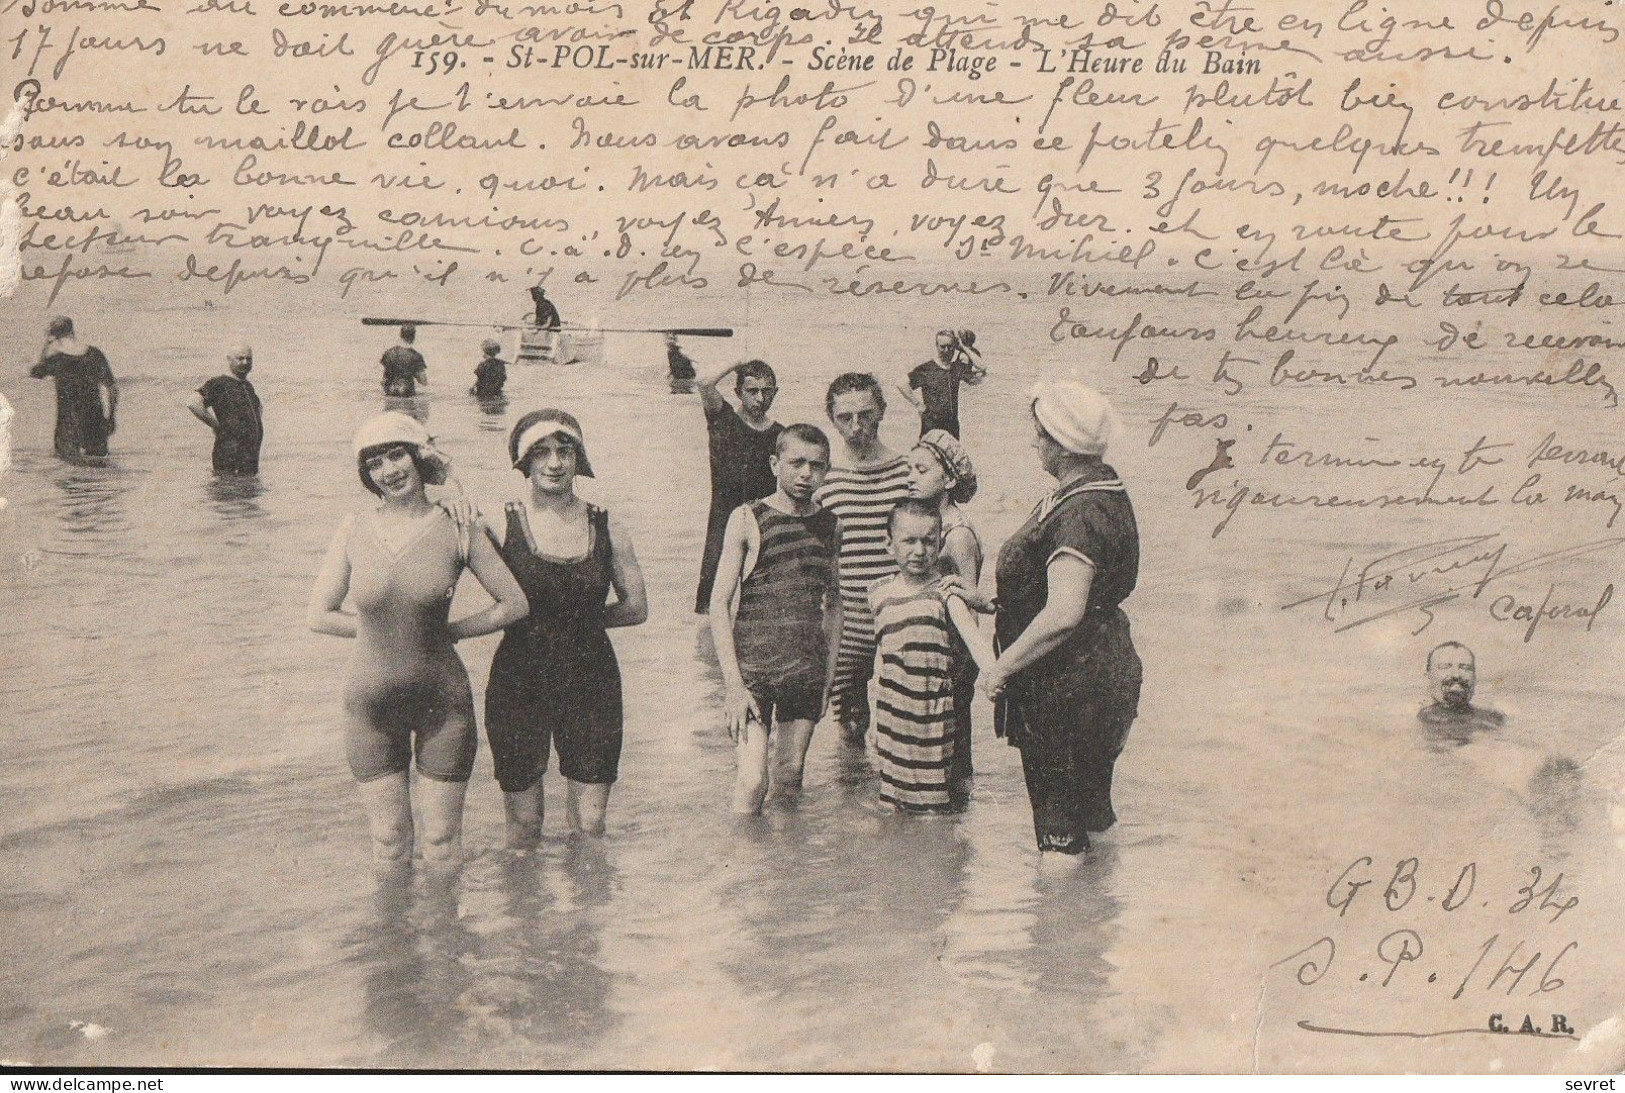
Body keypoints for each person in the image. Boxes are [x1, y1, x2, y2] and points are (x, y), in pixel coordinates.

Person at [307, 413, 529, 865]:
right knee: (388, 842)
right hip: (370, 708)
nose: (388, 471)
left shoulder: (459, 525)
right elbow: (320, 615)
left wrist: (448, 632)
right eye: (374, 464)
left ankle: (445, 934)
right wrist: (382, 631)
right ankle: (396, 935)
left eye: (396, 455)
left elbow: (514, 604)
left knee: (442, 842)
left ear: (419, 458)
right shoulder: (353, 528)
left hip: (442, 705)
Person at [949, 380, 1142, 857]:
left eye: (1038, 433)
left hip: (1066, 690)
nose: (1032, 441)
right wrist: (990, 601)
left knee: (1059, 836)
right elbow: (1057, 589)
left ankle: (1056, 924)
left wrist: (1001, 668)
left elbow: (1062, 614)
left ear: (1061, 444)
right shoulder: (1093, 489)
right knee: (1093, 814)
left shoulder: (1080, 512)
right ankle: (1103, 909)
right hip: (1102, 676)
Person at [484, 410, 648, 843]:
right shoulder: (497, 521)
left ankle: (588, 912)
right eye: (541, 453)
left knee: (591, 827)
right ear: (523, 462)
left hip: (591, 680)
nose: (554, 463)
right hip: (518, 681)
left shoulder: (608, 524)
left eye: (565, 451)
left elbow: (635, 608)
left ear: (580, 458)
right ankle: (526, 909)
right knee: (523, 827)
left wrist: (581, 623)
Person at [710, 424, 841, 814]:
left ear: (827, 470)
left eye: (816, 466)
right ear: (774, 464)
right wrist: (733, 685)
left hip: (805, 670)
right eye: (796, 463)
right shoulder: (748, 517)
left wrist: (828, 680)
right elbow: (719, 604)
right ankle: (744, 869)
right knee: (752, 782)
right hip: (753, 674)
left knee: (790, 774)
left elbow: (835, 605)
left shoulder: (831, 525)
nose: (806, 474)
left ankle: (785, 870)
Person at [816, 372, 912, 745]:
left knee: (903, 721)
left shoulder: (908, 472)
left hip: (898, 615)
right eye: (845, 417)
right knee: (849, 722)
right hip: (847, 618)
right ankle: (850, 801)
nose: (856, 427)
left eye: (866, 415)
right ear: (832, 418)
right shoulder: (824, 478)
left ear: (882, 412)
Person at [869, 500, 964, 813]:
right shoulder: (878, 592)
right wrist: (873, 718)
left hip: (931, 716)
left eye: (928, 541)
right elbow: (880, 657)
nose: (919, 550)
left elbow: (972, 643)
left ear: (940, 544)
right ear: (888, 544)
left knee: (931, 806)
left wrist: (999, 674)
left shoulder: (945, 592)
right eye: (909, 541)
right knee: (891, 802)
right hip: (891, 714)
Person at [906, 429, 982, 790]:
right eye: (909, 470)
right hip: (932, 648)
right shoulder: (932, 527)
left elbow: (970, 606)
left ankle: (956, 815)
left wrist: (960, 669)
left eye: (921, 470)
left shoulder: (958, 534)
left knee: (952, 747)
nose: (910, 478)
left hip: (953, 656)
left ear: (949, 478)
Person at [694, 359, 783, 613]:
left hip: (761, 525)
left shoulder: (781, 435)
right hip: (722, 521)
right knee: (710, 606)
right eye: (752, 391)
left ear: (775, 392)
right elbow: (703, 382)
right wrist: (738, 362)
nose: (760, 398)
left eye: (767, 391)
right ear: (737, 393)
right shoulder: (723, 419)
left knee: (760, 606)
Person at [29, 316, 118, 461]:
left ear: (56, 338)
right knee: (99, 473)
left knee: (68, 476)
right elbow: (112, 388)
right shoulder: (94, 354)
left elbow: (36, 373)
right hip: (95, 424)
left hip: (68, 427)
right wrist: (111, 417)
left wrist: (46, 345)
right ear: (72, 332)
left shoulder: (57, 359)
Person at [188, 345, 264, 476]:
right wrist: (216, 425)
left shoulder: (247, 386)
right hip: (229, 456)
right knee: (227, 491)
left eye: (249, 359)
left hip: (249, 459)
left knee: (248, 492)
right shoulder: (220, 383)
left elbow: (259, 408)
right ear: (229, 359)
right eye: (240, 358)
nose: (245, 362)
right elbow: (193, 402)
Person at [898, 329, 986, 439]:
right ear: (936, 346)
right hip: (931, 428)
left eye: (950, 346)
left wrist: (963, 347)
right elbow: (901, 384)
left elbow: (982, 367)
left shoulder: (956, 368)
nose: (946, 350)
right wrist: (917, 404)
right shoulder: (927, 369)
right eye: (942, 346)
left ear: (955, 346)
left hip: (952, 428)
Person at [1418, 642, 1505, 732]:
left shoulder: (1493, 719)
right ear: (1428, 676)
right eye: (1445, 667)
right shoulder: (1415, 720)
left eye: (1465, 668)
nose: (1456, 675)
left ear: (1474, 677)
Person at [380, 326, 429, 397]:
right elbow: (423, 381)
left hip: (390, 391)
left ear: (400, 335)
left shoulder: (389, 353)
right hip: (406, 392)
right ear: (413, 337)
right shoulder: (416, 356)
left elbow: (384, 379)